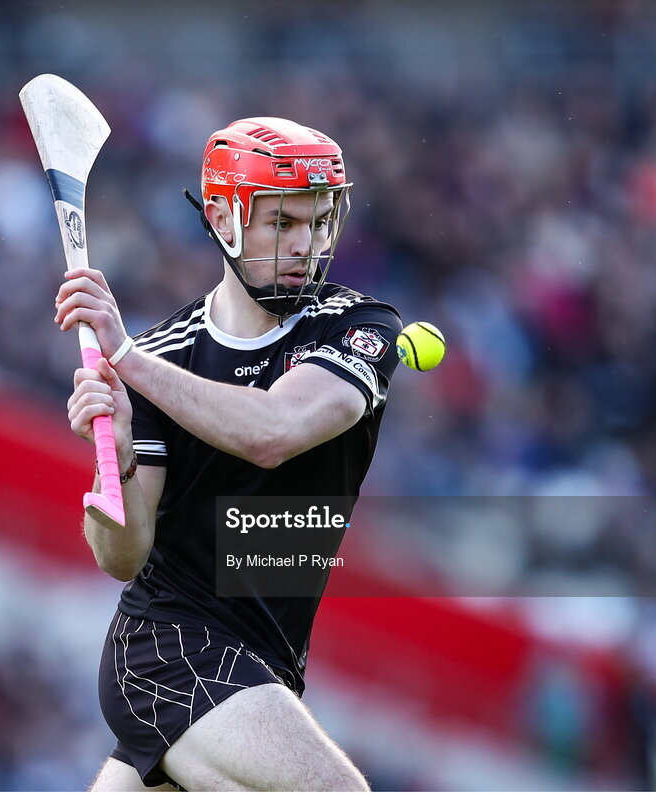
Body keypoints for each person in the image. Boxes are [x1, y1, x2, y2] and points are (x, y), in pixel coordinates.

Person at [53, 117, 402, 791]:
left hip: (263, 662)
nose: (307, 244)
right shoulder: (161, 358)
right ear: (223, 217)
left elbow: (274, 430)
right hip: (170, 649)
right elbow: (119, 555)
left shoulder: (357, 327)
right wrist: (116, 459)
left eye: (320, 221)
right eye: (283, 223)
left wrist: (126, 359)